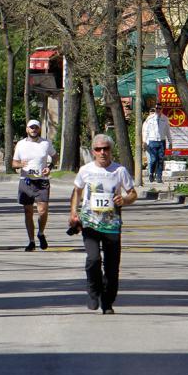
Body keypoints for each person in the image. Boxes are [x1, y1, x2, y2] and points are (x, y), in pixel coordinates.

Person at [70, 134, 137, 314]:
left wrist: (124, 199)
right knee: (93, 259)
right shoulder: (85, 170)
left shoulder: (119, 171)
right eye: (98, 149)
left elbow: (132, 193)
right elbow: (77, 191)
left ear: (111, 150)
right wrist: (74, 213)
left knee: (112, 266)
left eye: (105, 149)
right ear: (93, 151)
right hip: (90, 223)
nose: (102, 152)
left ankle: (107, 301)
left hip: (112, 224)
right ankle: (93, 291)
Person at [12, 119, 57, 251]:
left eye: (36, 128)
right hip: (26, 180)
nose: (34, 130)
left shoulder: (45, 143)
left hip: (42, 181)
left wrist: (50, 167)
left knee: (42, 211)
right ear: (27, 129)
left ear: (39, 129)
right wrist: (21, 165)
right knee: (28, 212)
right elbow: (14, 163)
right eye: (31, 128)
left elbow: (55, 157)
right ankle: (31, 241)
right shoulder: (20, 144)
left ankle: (41, 233)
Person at [142, 104, 171, 183]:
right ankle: (151, 173)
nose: (158, 110)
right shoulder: (150, 118)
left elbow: (168, 131)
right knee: (154, 159)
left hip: (162, 141)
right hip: (152, 141)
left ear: (162, 109)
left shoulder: (165, 118)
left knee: (160, 160)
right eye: (156, 108)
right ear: (155, 109)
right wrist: (144, 141)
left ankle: (159, 176)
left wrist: (170, 141)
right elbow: (146, 131)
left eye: (159, 108)